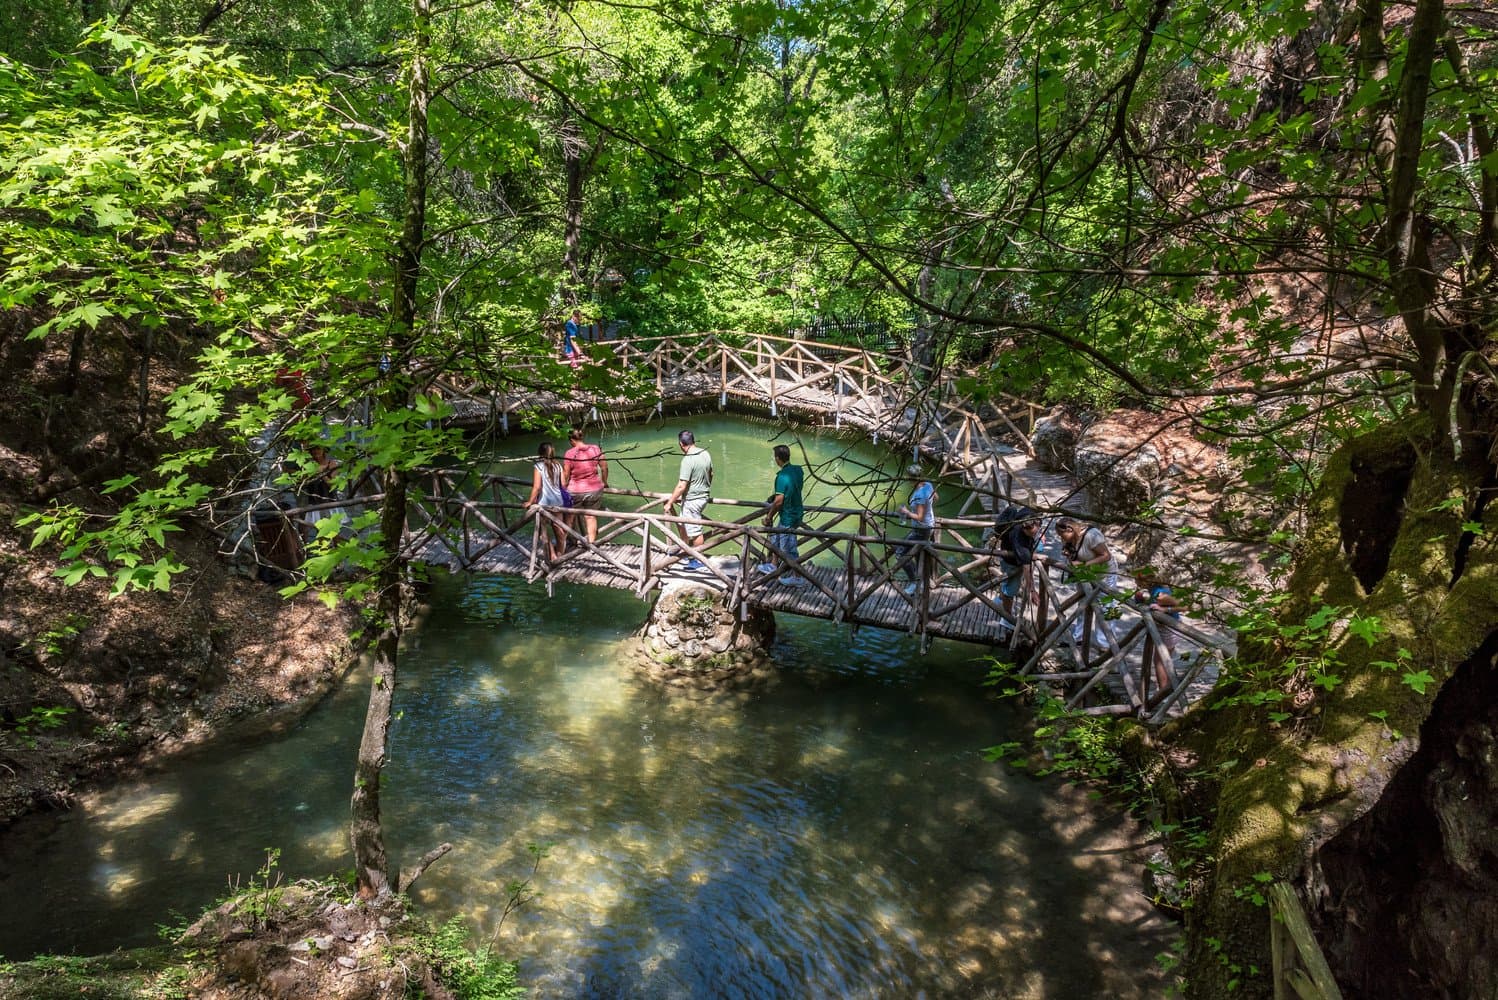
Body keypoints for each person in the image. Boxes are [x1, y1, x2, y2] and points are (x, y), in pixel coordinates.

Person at [1056, 517, 1121, 649]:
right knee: (1083, 604)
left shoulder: (1092, 535)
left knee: (1105, 606)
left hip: (1104, 574)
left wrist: (1084, 565)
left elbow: (1106, 555)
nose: (1060, 538)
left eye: (1061, 534)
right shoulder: (1070, 537)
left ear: (1070, 529)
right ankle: (1078, 637)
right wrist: (1069, 554)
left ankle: (1106, 644)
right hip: (1085, 575)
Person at [663, 429, 713, 570]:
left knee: (696, 531)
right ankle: (684, 549)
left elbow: (681, 485)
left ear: (681, 444)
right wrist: (706, 487)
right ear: (693, 440)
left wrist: (670, 503)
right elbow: (711, 473)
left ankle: (699, 560)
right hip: (703, 496)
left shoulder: (687, 460)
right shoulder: (705, 453)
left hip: (693, 500)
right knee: (682, 523)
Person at [758, 444, 805, 585]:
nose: (774, 460)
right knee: (776, 538)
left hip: (788, 516)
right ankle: (773, 565)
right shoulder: (798, 470)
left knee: (789, 549)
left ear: (778, 459)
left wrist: (769, 517)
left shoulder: (782, 476)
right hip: (797, 512)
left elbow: (778, 502)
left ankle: (798, 578)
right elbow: (794, 489)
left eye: (774, 457)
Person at [990, 505, 1045, 620]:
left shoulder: (1027, 515)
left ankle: (999, 599)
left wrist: (1039, 535)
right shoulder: (1020, 542)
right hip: (1011, 563)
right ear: (1024, 529)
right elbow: (1027, 569)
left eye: (1035, 532)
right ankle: (1007, 617)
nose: (1034, 535)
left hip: (1009, 552)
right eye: (1031, 534)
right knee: (1010, 591)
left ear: (1037, 523)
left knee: (1005, 582)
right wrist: (1032, 591)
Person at [1133, 566, 1183, 693]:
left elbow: (1184, 606)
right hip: (1164, 628)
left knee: (1160, 661)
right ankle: (1166, 687)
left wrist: (1165, 610)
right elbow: (1139, 601)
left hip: (1169, 628)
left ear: (1144, 581)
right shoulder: (1152, 591)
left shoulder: (1160, 595)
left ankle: (1163, 691)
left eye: (1136, 580)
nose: (1134, 582)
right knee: (1164, 659)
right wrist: (1139, 595)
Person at [893, 465, 937, 596]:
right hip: (929, 526)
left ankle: (914, 583)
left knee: (900, 554)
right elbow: (936, 498)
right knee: (918, 555)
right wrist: (927, 507)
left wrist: (906, 511)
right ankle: (921, 581)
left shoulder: (919, 495)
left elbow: (920, 517)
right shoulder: (928, 485)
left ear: (912, 479)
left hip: (921, 529)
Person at [563, 427, 608, 544]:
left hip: (575, 491)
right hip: (594, 489)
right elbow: (604, 468)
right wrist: (604, 482)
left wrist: (564, 488)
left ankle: (567, 541)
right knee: (591, 516)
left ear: (571, 440)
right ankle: (592, 545)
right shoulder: (595, 449)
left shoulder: (569, 453)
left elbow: (566, 475)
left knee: (570, 516)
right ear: (582, 437)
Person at [525, 442, 569, 560]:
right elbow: (564, 485)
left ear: (540, 453)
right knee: (558, 528)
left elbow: (537, 487)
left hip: (544, 503)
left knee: (542, 531)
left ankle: (552, 554)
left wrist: (530, 501)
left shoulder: (538, 466)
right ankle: (560, 554)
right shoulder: (558, 466)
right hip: (558, 501)